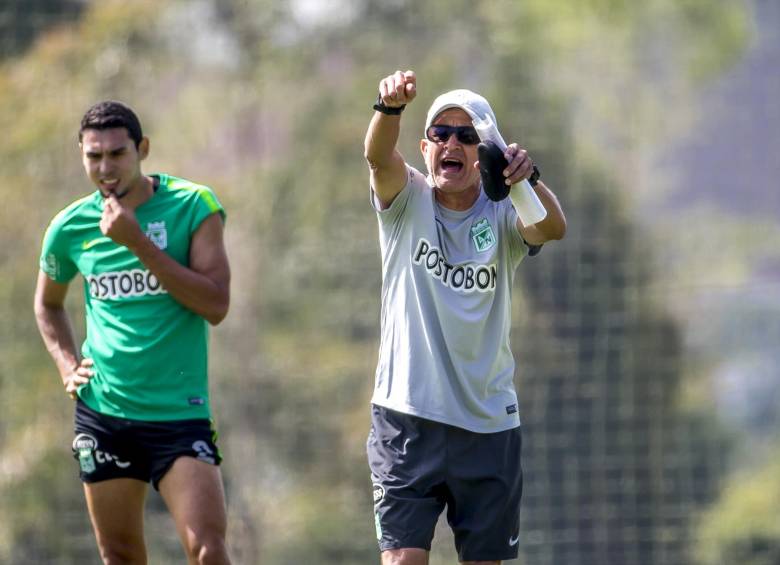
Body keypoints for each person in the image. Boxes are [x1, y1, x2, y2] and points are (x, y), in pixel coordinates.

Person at [363, 70, 567, 565]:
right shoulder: (406, 200)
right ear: (425, 146)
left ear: (485, 153)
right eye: (440, 133)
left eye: (466, 136)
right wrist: (388, 107)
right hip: (407, 418)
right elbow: (376, 155)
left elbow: (552, 227)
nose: (451, 143)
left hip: (487, 425)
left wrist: (525, 178)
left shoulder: (504, 213)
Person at [34, 100, 232, 565]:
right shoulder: (69, 226)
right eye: (93, 157)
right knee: (121, 555)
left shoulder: (191, 205)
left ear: (142, 149)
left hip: (178, 415)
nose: (105, 168)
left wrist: (138, 243)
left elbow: (216, 305)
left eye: (117, 154)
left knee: (208, 551)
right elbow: (47, 303)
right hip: (103, 415)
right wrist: (67, 364)